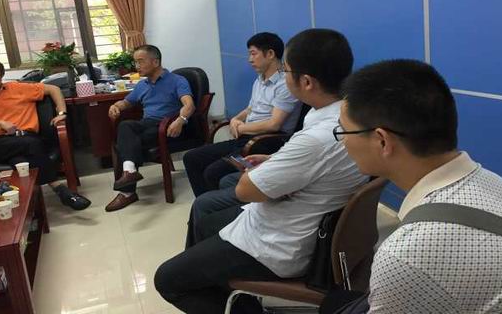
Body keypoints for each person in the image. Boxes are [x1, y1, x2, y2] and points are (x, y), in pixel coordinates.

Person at [154, 28, 369, 314]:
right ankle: (222, 290)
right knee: (205, 220)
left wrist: (260, 170)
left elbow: (246, 190)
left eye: (286, 69)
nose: (283, 74)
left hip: (281, 244)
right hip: (306, 220)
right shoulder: (353, 116)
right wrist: (275, 161)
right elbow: (315, 164)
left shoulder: (317, 138)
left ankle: (225, 297)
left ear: (306, 82)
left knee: (167, 279)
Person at [336, 59, 502, 313]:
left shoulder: (405, 254)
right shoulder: (491, 181)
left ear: (382, 141)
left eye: (344, 131)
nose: (342, 142)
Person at [0, 58, 91, 210]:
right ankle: (58, 187)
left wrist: (62, 113)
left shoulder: (18, 88)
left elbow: (54, 89)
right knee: (31, 144)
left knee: (21, 160)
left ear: (1, 76)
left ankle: (33, 205)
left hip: (28, 138)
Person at [183, 32, 300, 197]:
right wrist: (236, 119)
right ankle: (204, 205)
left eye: (253, 53)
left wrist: (241, 128)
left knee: (213, 172)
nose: (250, 59)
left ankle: (219, 206)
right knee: (191, 158)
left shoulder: (284, 84)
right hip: (246, 138)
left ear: (270, 54)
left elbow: (274, 124)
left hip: (265, 142)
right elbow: (251, 108)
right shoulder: (260, 80)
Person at [106, 44, 195, 212]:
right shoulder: (142, 85)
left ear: (155, 62)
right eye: (135, 62)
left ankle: (127, 192)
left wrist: (181, 120)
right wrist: (116, 106)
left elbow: (189, 105)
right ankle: (129, 172)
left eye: (140, 61)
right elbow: (127, 102)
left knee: (127, 142)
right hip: (147, 124)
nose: (137, 66)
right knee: (125, 126)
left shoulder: (177, 81)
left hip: (167, 126)